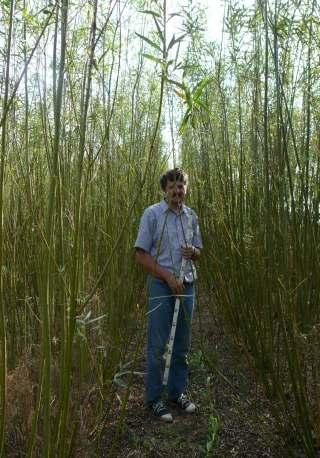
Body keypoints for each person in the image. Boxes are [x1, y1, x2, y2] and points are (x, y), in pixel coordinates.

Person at [134, 167, 203, 422]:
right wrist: (167, 277)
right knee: (157, 345)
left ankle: (176, 393)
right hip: (162, 286)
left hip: (187, 285)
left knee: (182, 345)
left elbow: (199, 251)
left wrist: (193, 253)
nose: (177, 190)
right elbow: (140, 255)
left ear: (186, 188)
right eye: (172, 186)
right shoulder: (152, 214)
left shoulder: (191, 216)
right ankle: (154, 400)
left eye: (181, 185)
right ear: (165, 189)